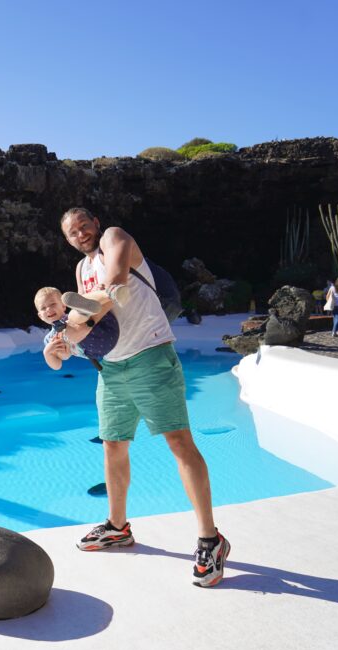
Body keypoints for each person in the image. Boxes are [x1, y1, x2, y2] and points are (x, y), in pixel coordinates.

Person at [59, 206, 229, 587]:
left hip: (151, 356)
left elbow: (116, 283)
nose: (81, 233)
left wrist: (75, 319)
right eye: (72, 232)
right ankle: (118, 528)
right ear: (67, 240)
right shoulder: (81, 271)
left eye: (84, 224)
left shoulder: (114, 238)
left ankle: (210, 539)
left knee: (179, 443)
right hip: (111, 368)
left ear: (96, 223)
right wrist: (63, 340)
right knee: (112, 446)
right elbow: (91, 324)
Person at [35, 287, 117, 371]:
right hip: (94, 348)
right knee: (74, 317)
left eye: (52, 304)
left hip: (104, 328)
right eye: (43, 308)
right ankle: (89, 307)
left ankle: (96, 300)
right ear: (40, 316)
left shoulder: (69, 318)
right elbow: (57, 366)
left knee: (72, 317)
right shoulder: (49, 339)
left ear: (63, 306)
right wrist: (47, 353)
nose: (48, 309)